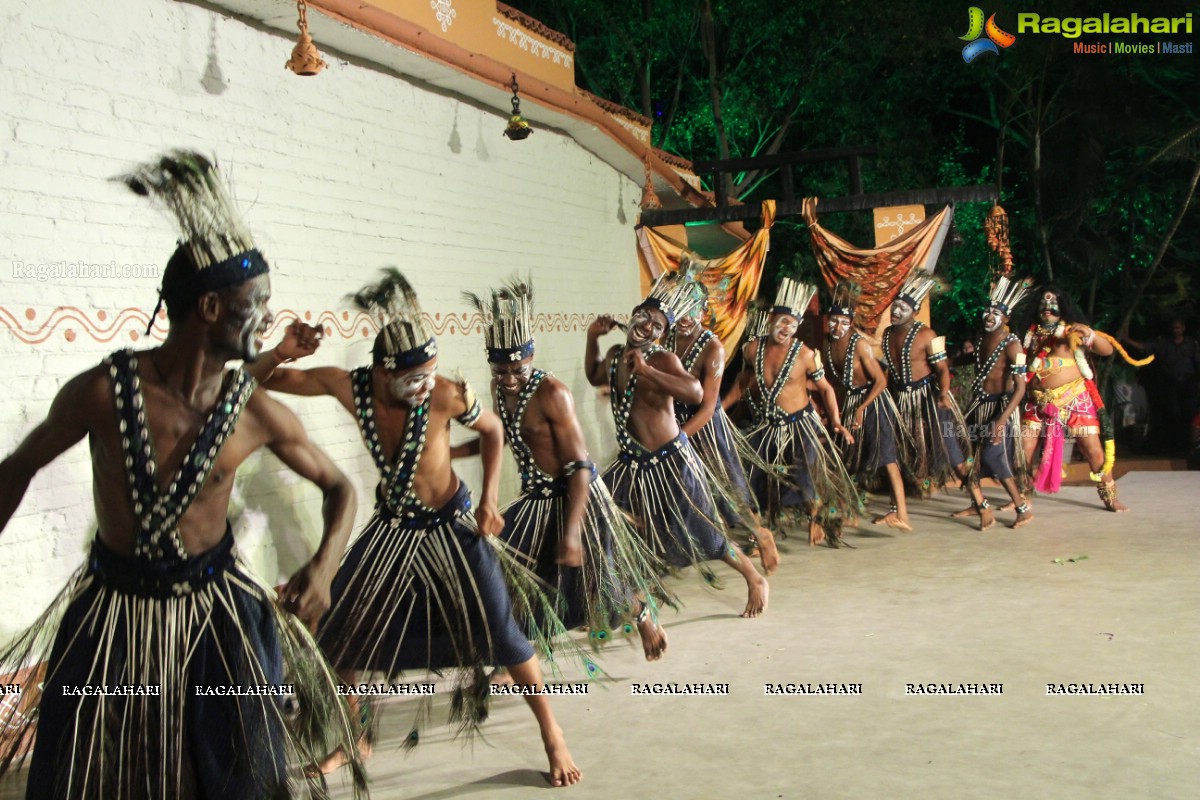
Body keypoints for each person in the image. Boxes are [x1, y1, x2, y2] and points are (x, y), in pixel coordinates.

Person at [0, 151, 366, 799]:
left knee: (228, 774)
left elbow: (341, 488)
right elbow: (17, 467)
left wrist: (324, 567)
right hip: (114, 616)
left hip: (217, 618)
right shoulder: (105, 393)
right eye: (258, 305)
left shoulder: (255, 410)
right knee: (94, 775)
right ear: (209, 307)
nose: (267, 320)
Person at [258, 269, 581, 787]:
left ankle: (552, 734)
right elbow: (261, 380)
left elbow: (493, 429)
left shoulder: (447, 394)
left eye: (431, 371)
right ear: (382, 373)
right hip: (394, 525)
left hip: (452, 522)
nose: (426, 384)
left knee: (502, 631)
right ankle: (355, 734)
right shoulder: (349, 387)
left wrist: (492, 498)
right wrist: (281, 352)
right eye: (414, 376)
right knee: (339, 627)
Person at [463, 278, 671, 660]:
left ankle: (641, 615)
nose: (509, 378)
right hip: (535, 499)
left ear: (531, 357)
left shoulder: (553, 393)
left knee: (597, 583)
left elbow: (580, 468)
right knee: (516, 576)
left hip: (578, 498)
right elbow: (504, 435)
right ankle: (517, 653)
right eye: (500, 369)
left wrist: (573, 532)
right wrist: (453, 452)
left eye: (518, 369)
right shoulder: (500, 390)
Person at [585, 273, 768, 617]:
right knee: (599, 509)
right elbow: (595, 375)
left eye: (657, 325)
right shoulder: (613, 355)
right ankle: (622, 595)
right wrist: (593, 338)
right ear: (634, 313)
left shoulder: (662, 360)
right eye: (645, 317)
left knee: (705, 534)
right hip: (633, 463)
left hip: (671, 460)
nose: (648, 326)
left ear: (662, 335)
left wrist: (647, 372)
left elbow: (696, 393)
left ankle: (753, 576)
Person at [724, 279, 861, 547]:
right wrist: (720, 409)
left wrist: (835, 421)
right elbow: (743, 383)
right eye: (783, 320)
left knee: (805, 475)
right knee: (755, 477)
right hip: (768, 425)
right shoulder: (752, 350)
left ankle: (817, 518)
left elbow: (826, 389)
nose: (787, 328)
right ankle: (760, 534)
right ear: (772, 319)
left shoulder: (805, 355)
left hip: (801, 424)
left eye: (793, 324)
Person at [666, 268, 780, 574]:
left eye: (692, 309)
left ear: (704, 311)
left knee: (729, 492)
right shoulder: (667, 343)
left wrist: (678, 440)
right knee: (683, 490)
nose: (685, 317)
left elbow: (706, 408)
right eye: (679, 310)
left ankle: (760, 533)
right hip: (675, 426)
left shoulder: (712, 348)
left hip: (707, 429)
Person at [1019, 287, 1146, 513]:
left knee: (1093, 450)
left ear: (1063, 308)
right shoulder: (1030, 334)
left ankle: (1110, 497)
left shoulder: (1071, 332)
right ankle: (1021, 497)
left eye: (1053, 304)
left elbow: (1106, 350)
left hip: (1074, 397)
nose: (1048, 308)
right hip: (1038, 401)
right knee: (1023, 448)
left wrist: (1090, 333)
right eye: (1043, 304)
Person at [881, 270, 991, 528]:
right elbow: (889, 371)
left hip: (930, 401)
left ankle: (982, 506)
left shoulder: (927, 335)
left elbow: (942, 370)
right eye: (894, 305)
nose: (896, 310)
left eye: (902, 307)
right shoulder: (887, 334)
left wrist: (943, 393)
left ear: (915, 311)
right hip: (900, 401)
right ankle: (898, 511)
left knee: (953, 454)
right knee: (892, 453)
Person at [821, 280, 913, 532]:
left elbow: (881, 380)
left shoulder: (859, 344)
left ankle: (902, 514)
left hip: (873, 401)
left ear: (851, 322)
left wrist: (862, 408)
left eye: (843, 321)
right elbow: (835, 383)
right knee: (850, 456)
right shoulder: (828, 344)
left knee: (886, 456)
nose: (837, 325)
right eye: (833, 320)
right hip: (852, 401)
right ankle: (851, 510)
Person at [950, 277, 1033, 528]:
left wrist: (1001, 420)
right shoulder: (981, 338)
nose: (989, 315)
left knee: (994, 456)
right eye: (988, 310)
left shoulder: (1014, 344)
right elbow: (980, 365)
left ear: (1006, 319)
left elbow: (1020, 388)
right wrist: (946, 363)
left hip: (1000, 407)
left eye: (996, 313)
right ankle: (978, 503)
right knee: (965, 454)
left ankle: (1022, 507)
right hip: (979, 405)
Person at [1122, 318, 1200, 455]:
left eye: (1178, 327)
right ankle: (1172, 446)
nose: (1175, 330)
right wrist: (1127, 340)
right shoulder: (1163, 342)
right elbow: (1145, 346)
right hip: (1169, 384)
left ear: (1183, 328)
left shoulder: (1191, 344)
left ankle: (1188, 447)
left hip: (1188, 384)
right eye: (1173, 328)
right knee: (1172, 413)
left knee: (1188, 414)